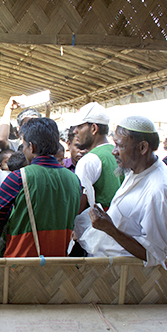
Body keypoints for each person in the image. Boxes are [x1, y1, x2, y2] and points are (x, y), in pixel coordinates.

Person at [83, 115, 167, 267]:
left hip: (125, 278)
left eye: (120, 146)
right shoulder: (137, 169)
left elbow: (154, 254)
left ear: (142, 148)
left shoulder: (158, 191)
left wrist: (111, 229)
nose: (114, 152)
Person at [0, 118, 81, 257]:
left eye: (24, 146)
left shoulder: (18, 178)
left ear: (31, 147)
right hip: (59, 263)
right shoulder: (74, 179)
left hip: (23, 261)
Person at [69, 103, 123, 255]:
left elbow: (79, 200)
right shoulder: (116, 154)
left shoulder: (90, 160)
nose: (75, 131)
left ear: (93, 128)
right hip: (117, 235)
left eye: (79, 126)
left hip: (94, 239)